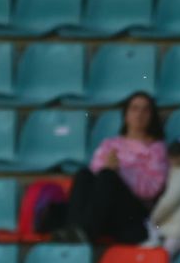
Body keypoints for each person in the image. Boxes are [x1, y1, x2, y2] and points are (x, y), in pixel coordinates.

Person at [57, 91, 167, 245]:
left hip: (134, 214)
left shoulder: (157, 149)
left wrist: (120, 172)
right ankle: (73, 229)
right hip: (106, 209)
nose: (139, 114)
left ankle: (85, 233)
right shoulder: (110, 144)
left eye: (145, 110)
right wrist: (110, 171)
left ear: (152, 115)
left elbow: (151, 190)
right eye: (134, 109)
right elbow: (95, 176)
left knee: (108, 176)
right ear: (126, 115)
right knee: (84, 174)